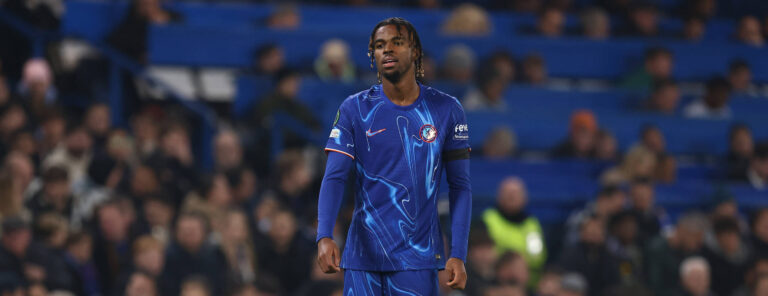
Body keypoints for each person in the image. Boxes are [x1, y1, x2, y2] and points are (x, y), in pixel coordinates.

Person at [315, 17, 472, 294]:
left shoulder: (447, 109)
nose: (386, 50)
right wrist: (324, 235)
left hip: (419, 260)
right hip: (362, 259)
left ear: (416, 52)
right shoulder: (355, 108)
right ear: (373, 56)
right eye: (379, 45)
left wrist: (458, 252)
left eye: (397, 43)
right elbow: (335, 177)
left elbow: (460, 186)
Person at [483, 177, 546, 284]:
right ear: (499, 196)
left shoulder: (532, 224)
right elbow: (484, 252)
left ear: (524, 198)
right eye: (507, 193)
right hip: (495, 276)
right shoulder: (488, 219)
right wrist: (509, 262)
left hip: (526, 280)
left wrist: (519, 263)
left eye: (516, 193)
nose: (511, 196)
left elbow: (537, 256)